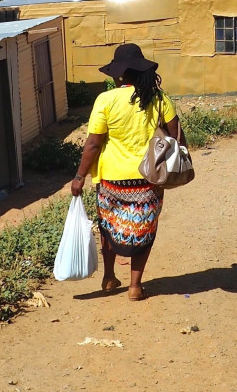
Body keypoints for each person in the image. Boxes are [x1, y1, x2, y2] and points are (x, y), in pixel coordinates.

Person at [71, 43, 181, 300]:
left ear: (118, 74)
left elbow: (93, 143)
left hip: (111, 180)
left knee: (109, 227)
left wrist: (79, 176)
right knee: (145, 230)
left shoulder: (105, 100)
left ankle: (109, 277)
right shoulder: (160, 98)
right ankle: (134, 286)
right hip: (149, 179)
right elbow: (175, 135)